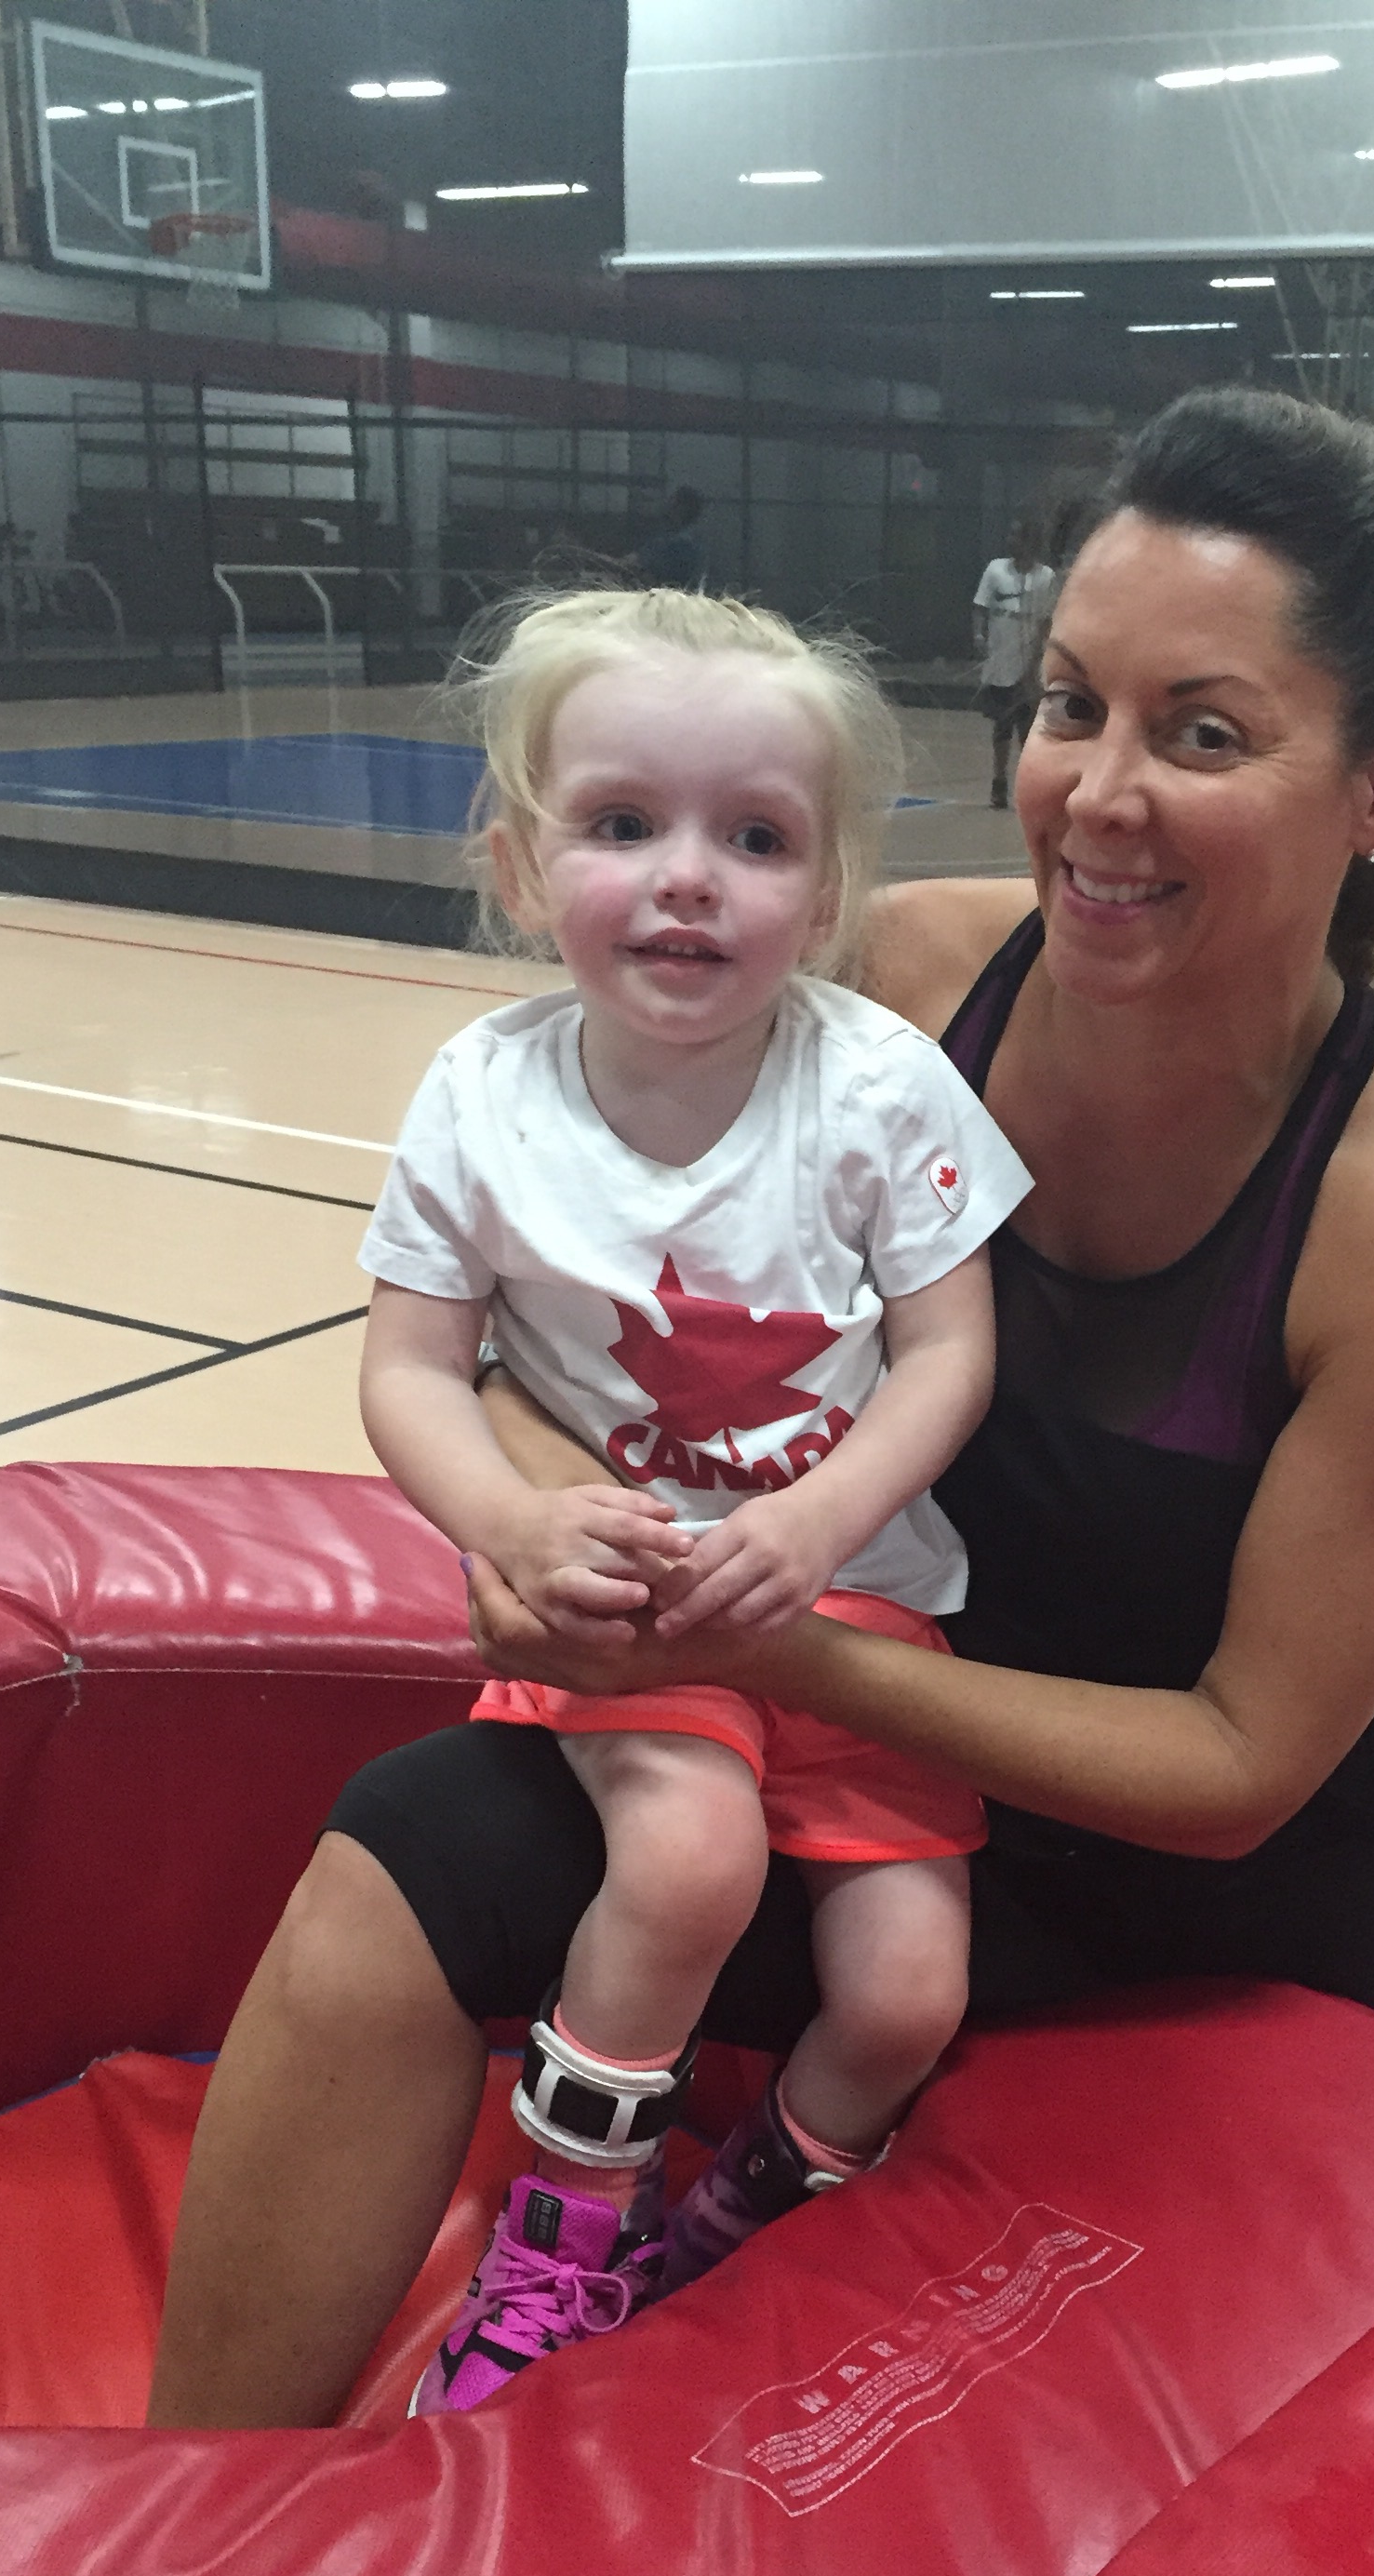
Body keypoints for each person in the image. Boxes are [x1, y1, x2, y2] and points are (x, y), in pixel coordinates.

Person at [148, 385, 1374, 2436]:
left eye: (1202, 734)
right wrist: (546, 1528)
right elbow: (532, 1311)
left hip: (1245, 1850)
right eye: (1068, 706)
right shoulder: (903, 981)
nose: (1097, 795)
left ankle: (777, 2176)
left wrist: (775, 1640)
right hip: (845, 1727)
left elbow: (1236, 1766)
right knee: (400, 1859)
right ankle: (185, 2535)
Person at [353, 585, 1030, 2410]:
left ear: (826, 890)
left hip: (851, 1602)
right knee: (689, 1852)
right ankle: (565, 2232)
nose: (685, 880)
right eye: (622, 823)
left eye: (753, 839)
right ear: (520, 864)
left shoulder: (875, 1085)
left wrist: (819, 1522)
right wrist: (511, 1525)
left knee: (904, 1997)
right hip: (637, 1608)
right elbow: (409, 1368)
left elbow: (950, 1353)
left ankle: (749, 2203)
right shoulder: (484, 1095)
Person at [971, 516, 1057, 808]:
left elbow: (1046, 622)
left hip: (1030, 667)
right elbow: (980, 607)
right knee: (1001, 726)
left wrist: (1035, 661)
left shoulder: (1045, 577)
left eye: (1017, 536)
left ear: (1030, 542)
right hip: (1000, 665)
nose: (1011, 541)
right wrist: (979, 635)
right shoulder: (995, 569)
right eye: (1010, 535)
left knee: (1028, 730)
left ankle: (1028, 787)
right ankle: (999, 783)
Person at [637, 487, 709, 591]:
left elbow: (662, 577)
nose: (667, 507)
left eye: (673, 503)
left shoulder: (685, 544)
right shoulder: (666, 534)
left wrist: (639, 569)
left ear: (683, 509)